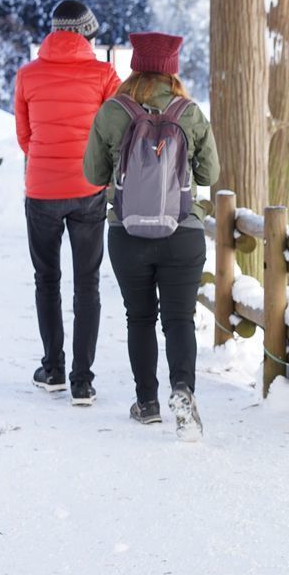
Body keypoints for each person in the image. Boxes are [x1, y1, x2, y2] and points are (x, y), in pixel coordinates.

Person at [82, 32, 219, 441]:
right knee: (180, 320)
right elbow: (211, 175)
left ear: (134, 64)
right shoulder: (188, 112)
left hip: (127, 233)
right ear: (173, 70)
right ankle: (183, 392)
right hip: (183, 232)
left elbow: (92, 175)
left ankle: (147, 403)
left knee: (139, 318)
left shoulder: (112, 111)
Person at [14, 0, 120, 405]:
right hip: (88, 189)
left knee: (47, 280)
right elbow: (114, 133)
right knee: (87, 283)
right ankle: (83, 381)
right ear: (87, 33)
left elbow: (24, 137)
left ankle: (53, 369)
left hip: (41, 190)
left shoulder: (28, 75)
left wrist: (45, 158)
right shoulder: (104, 74)